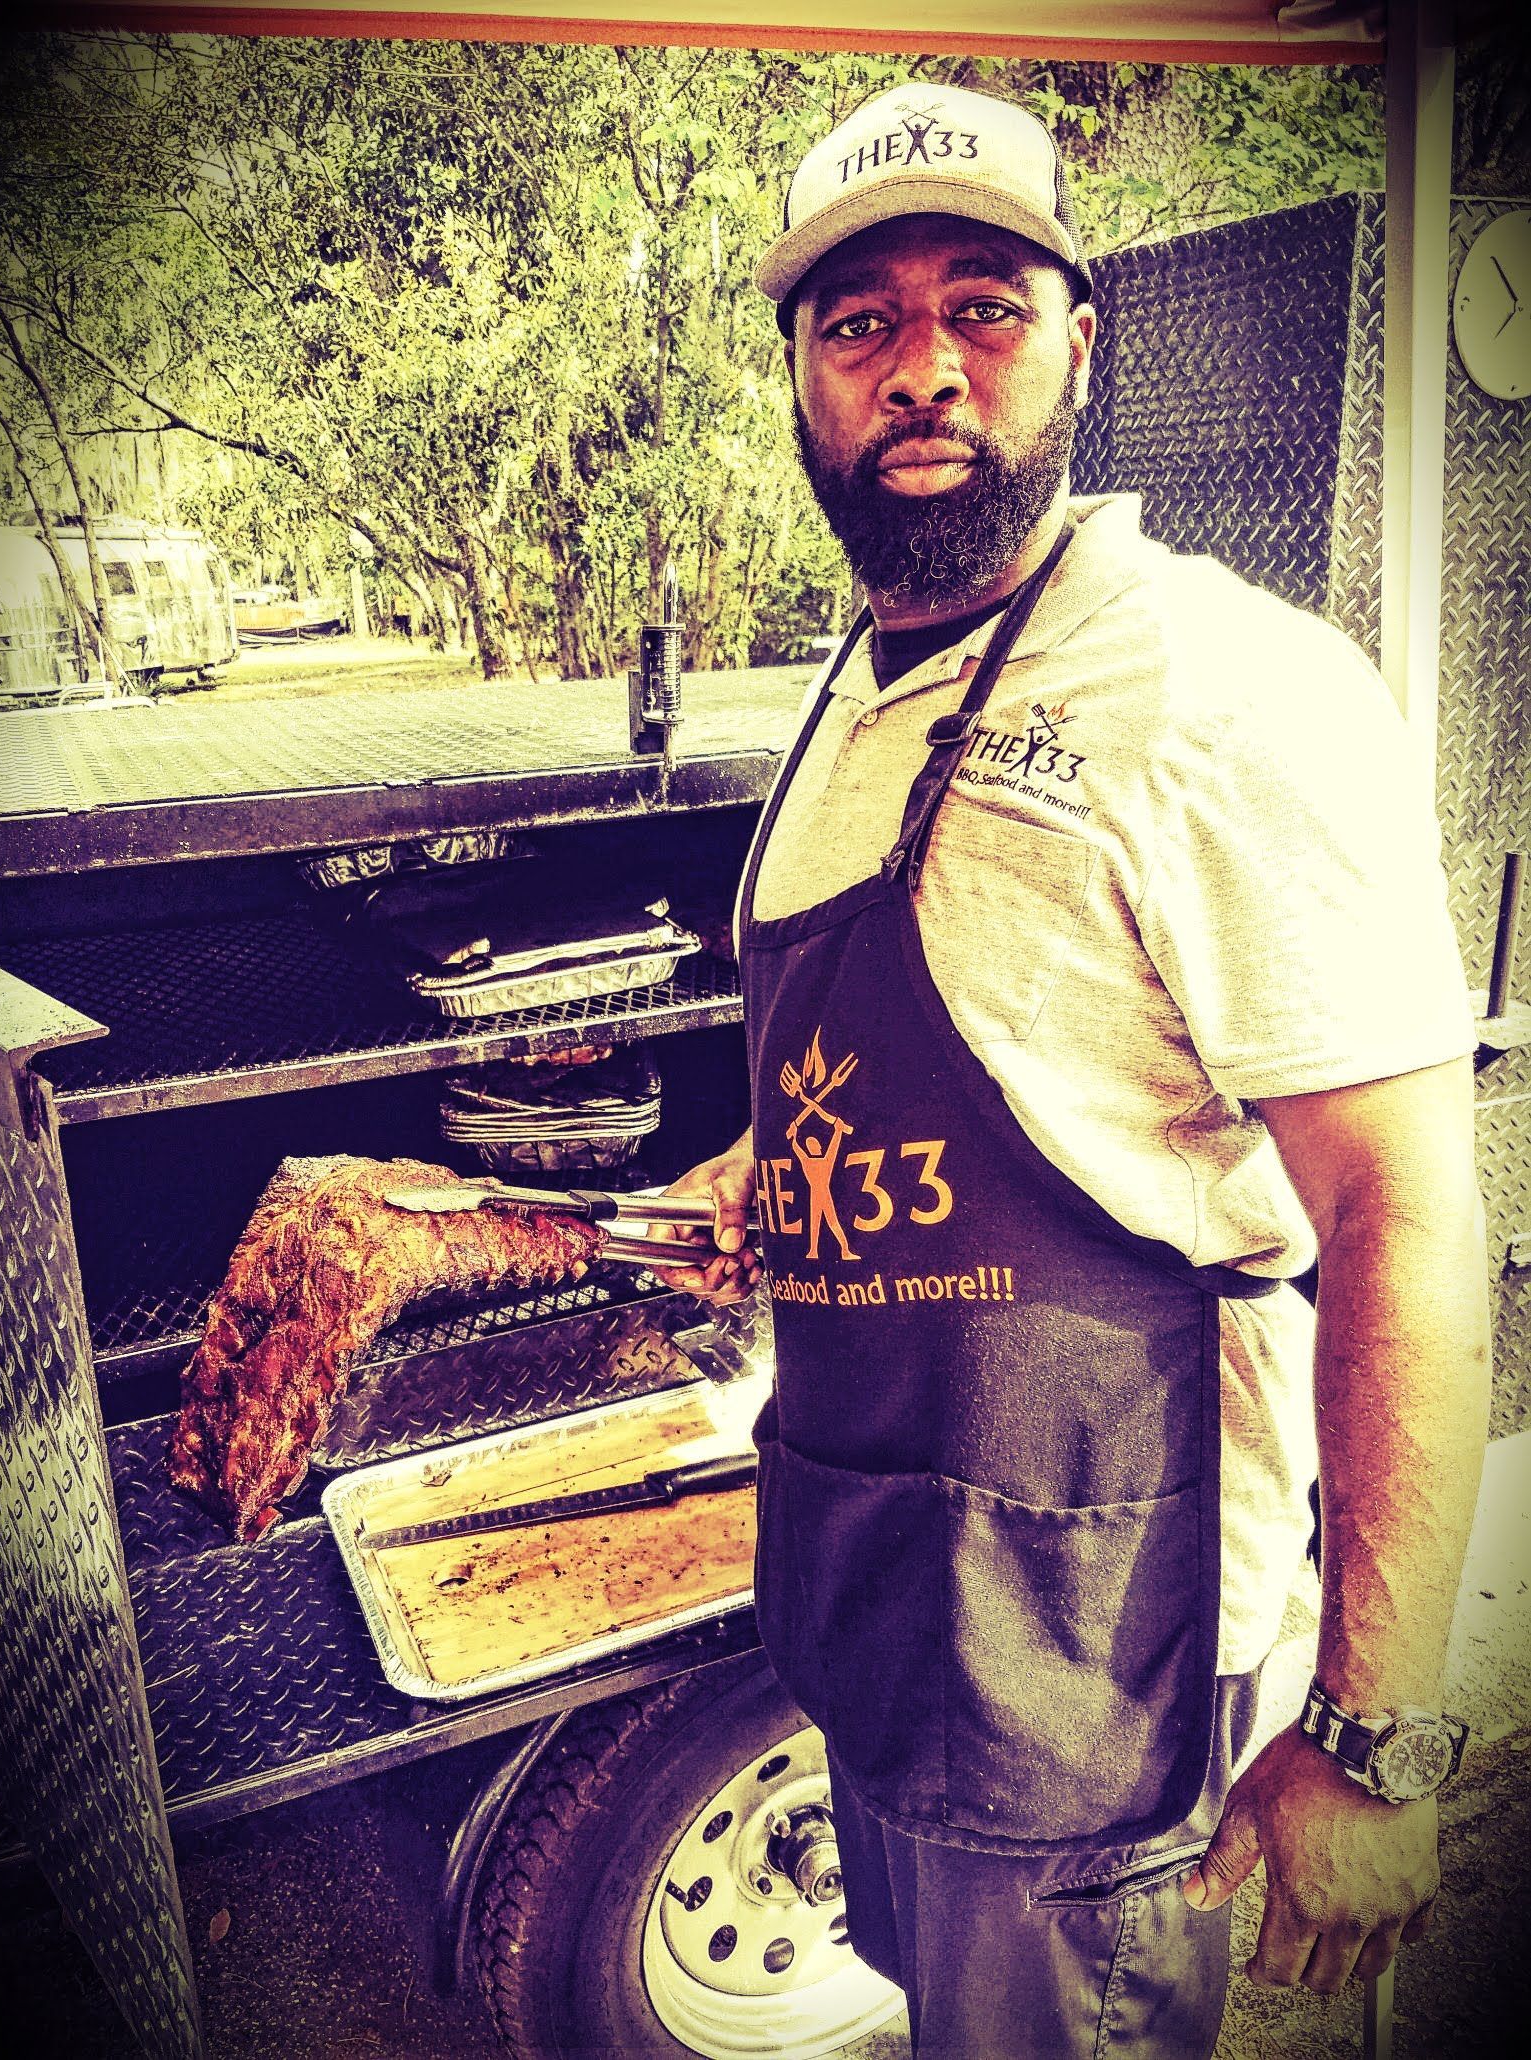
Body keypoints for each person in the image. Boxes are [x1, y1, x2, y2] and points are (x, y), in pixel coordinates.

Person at [656, 80, 1490, 2057]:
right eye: (859, 324)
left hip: (1090, 1639)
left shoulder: (1217, 692)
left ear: (1074, 347)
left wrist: (1367, 1741)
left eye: (984, 307)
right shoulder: (860, 683)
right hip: (883, 1585)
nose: (922, 369)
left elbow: (1403, 1212)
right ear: (795, 375)